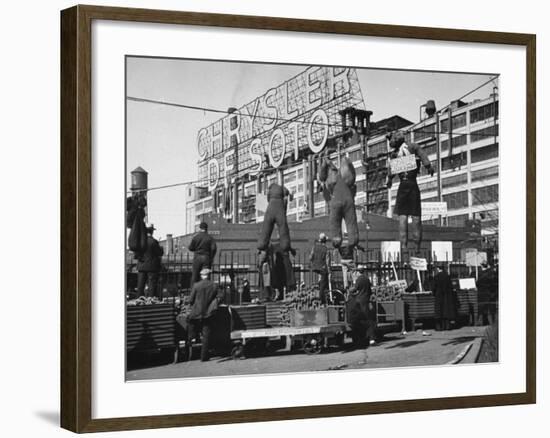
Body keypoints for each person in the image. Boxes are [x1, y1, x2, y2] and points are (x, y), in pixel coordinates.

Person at [386, 131, 434, 256]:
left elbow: (390, 172)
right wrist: (428, 165)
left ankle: (404, 246)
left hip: (403, 185)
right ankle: (417, 247)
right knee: (416, 217)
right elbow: (422, 155)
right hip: (413, 184)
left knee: (403, 216)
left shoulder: (394, 154)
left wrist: (389, 180)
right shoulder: (413, 146)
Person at [188, 268, 219, 361]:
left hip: (196, 313)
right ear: (209, 275)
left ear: (201, 276)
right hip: (208, 313)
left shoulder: (196, 285)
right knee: (206, 335)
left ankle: (191, 339)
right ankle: (204, 356)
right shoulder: (214, 285)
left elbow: (191, 300)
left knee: (191, 325)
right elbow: (219, 297)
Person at [346, 266, 376, 347]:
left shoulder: (359, 279)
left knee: (361, 320)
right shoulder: (367, 279)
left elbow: (355, 288)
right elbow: (369, 291)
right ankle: (371, 338)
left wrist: (350, 290)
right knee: (368, 320)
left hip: (359, 302)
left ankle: (368, 338)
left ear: (358, 272)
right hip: (366, 301)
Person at [136, 224, 164, 298]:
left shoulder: (139, 241)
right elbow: (160, 253)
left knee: (140, 285)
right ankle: (151, 301)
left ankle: (139, 300)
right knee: (152, 285)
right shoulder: (153, 242)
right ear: (152, 232)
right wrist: (161, 248)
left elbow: (136, 255)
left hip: (141, 266)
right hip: (152, 267)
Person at [189, 222, 217, 286]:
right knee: (206, 275)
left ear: (200, 228)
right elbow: (213, 248)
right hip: (206, 257)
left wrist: (196, 249)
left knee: (195, 276)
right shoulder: (210, 238)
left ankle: (194, 291)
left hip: (197, 257)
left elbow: (190, 248)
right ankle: (206, 292)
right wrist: (211, 257)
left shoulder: (196, 237)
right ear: (206, 229)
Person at [433, 265, 457, 331]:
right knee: (446, 311)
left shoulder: (436, 277)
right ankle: (447, 326)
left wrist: (434, 293)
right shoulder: (447, 276)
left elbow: (434, 287)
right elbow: (451, 287)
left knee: (439, 311)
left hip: (439, 295)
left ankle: (439, 327)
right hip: (447, 295)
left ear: (438, 268)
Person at [309, 233, 331, 304]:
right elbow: (327, 261)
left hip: (315, 267)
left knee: (320, 278)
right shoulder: (326, 249)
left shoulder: (314, 247)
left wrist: (313, 262)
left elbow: (310, 257)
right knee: (324, 282)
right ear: (325, 241)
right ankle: (322, 297)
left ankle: (319, 283)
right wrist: (329, 271)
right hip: (322, 268)